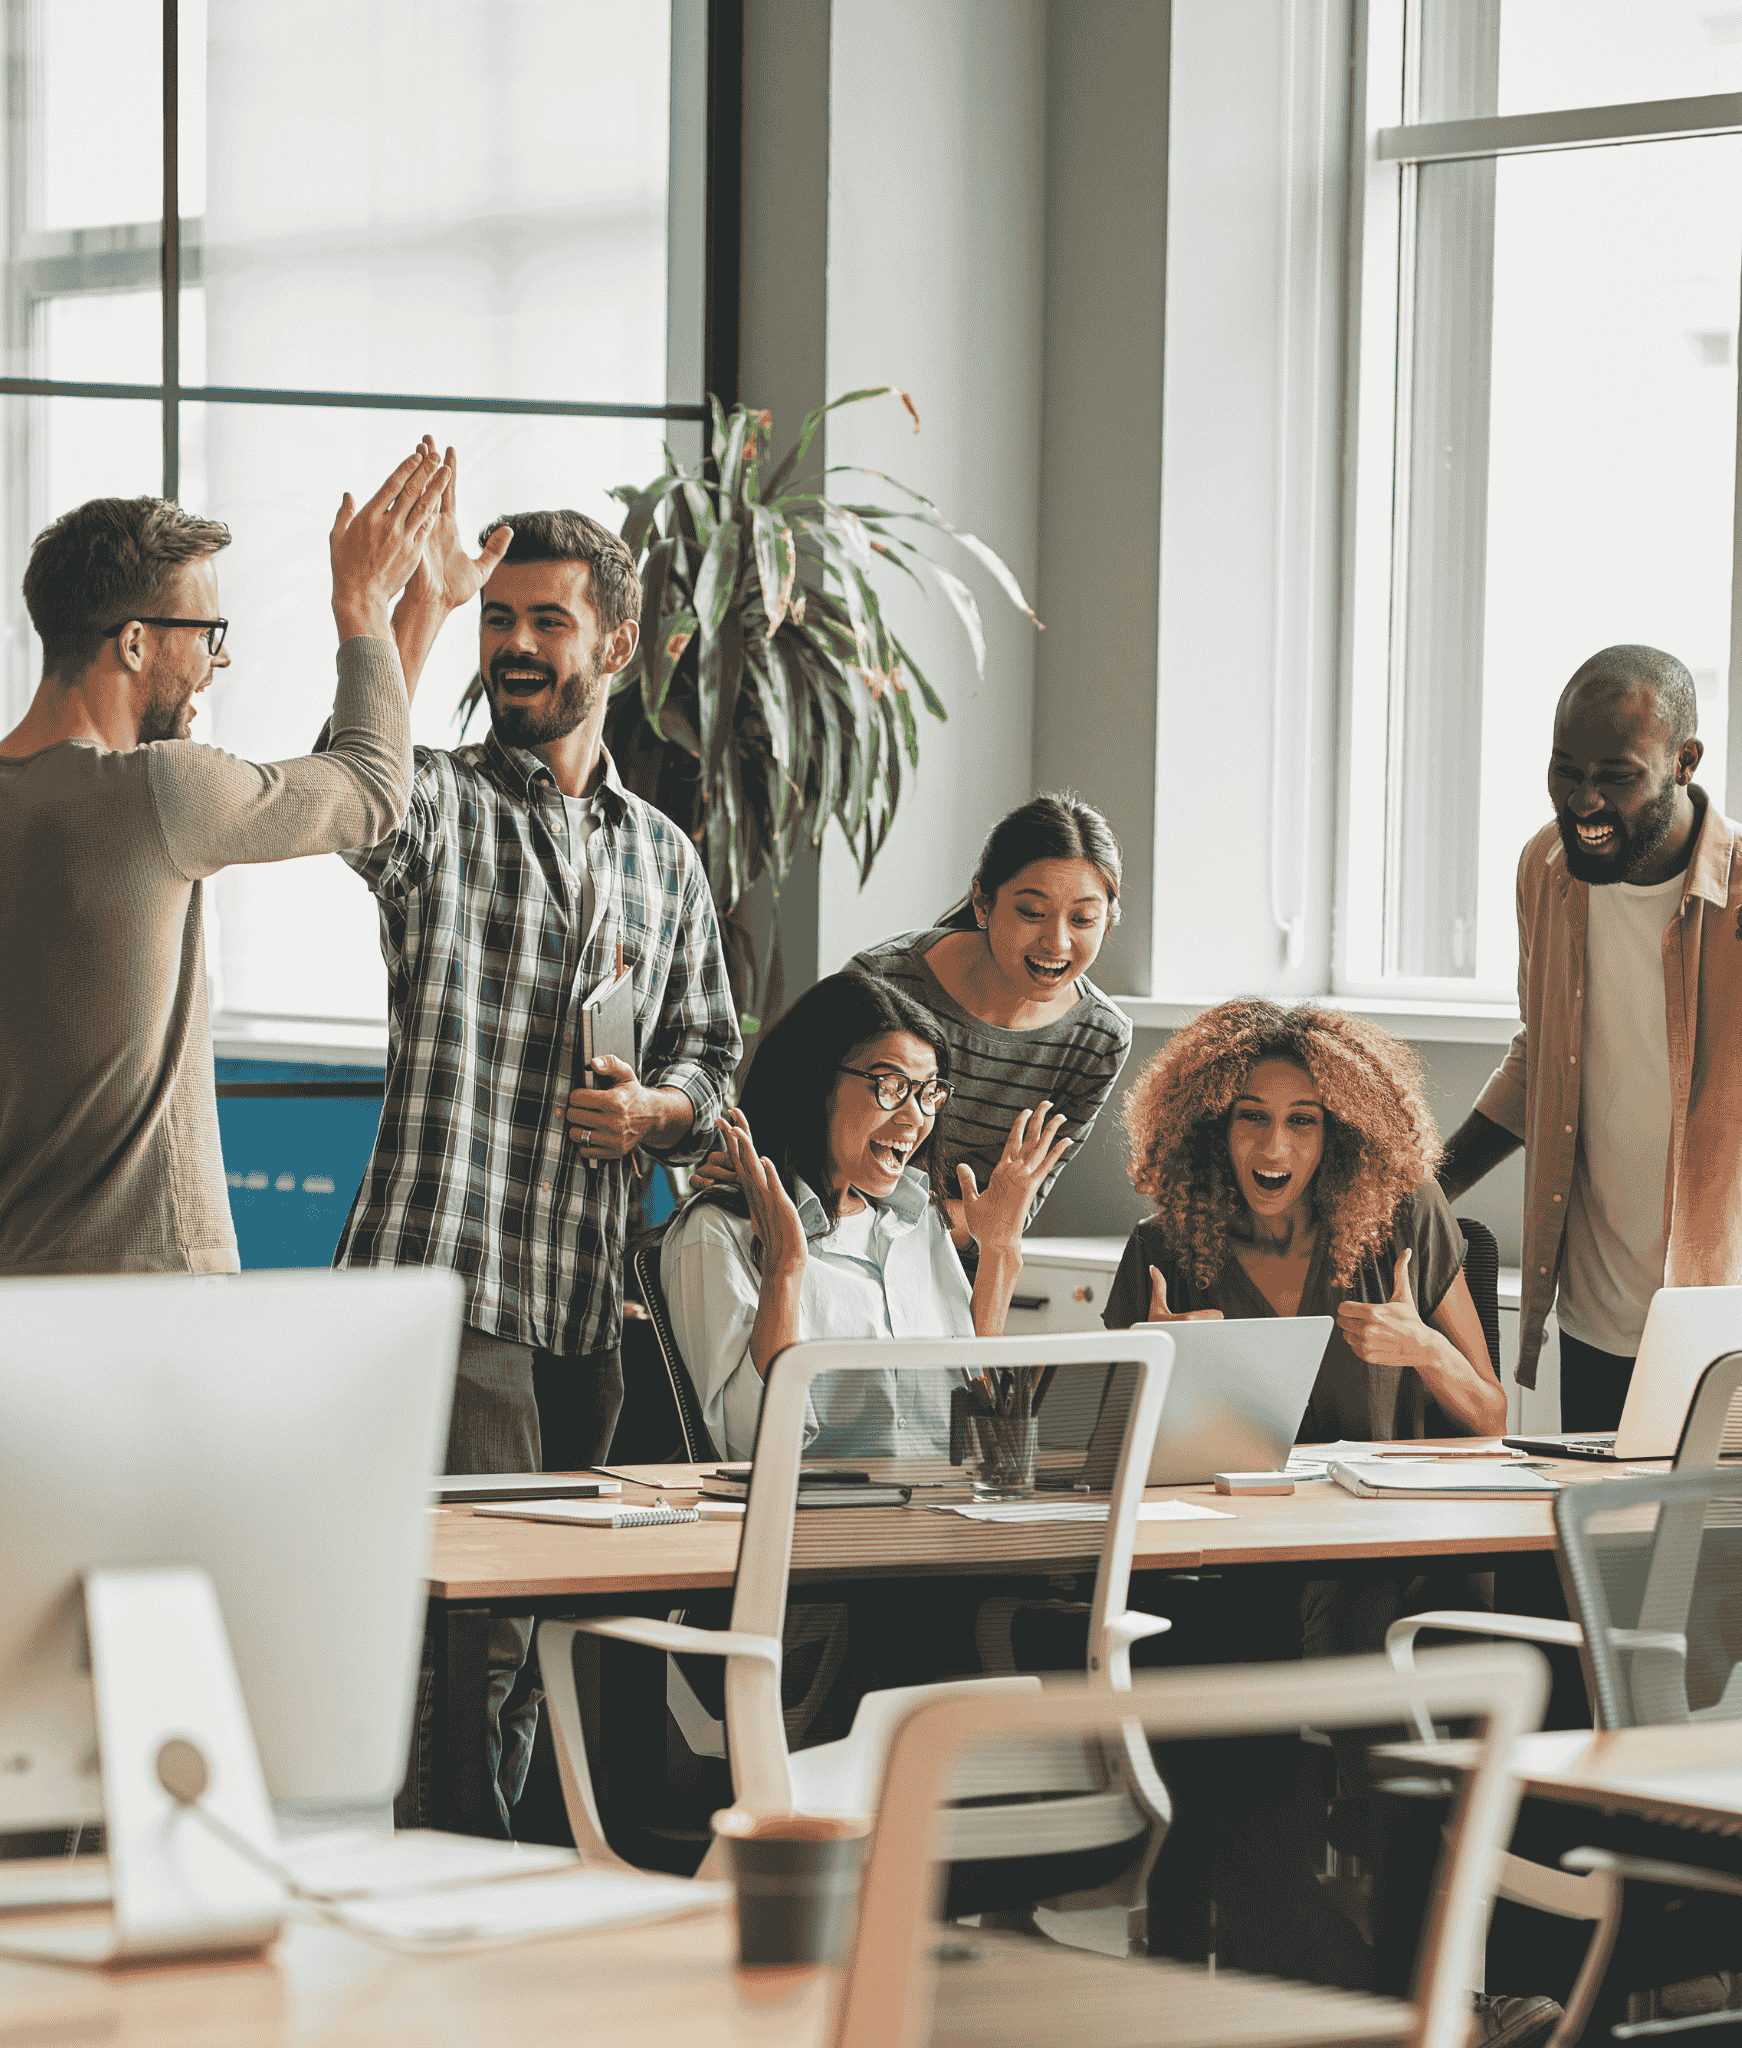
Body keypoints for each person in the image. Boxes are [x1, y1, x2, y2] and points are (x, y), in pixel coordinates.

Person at [330, 477, 740, 1832]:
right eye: (498, 618)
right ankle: (451, 1924)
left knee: (542, 1639)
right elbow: (356, 786)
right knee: (470, 1641)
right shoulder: (437, 803)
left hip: (585, 1307)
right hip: (451, 1291)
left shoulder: (664, 858)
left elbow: (710, 1056)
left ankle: (483, 1900)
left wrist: (658, 1115)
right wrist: (406, 611)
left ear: (615, 645)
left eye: (545, 621)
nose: (516, 645)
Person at [0, 452, 445, 1277]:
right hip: (150, 1293)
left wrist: (423, 608)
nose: (220, 661)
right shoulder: (153, 793)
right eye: (208, 635)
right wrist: (362, 602)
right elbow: (375, 789)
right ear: (134, 643)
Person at [1438, 645, 1742, 1434]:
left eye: (1615, 775)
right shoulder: (1547, 867)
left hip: (1723, 1322)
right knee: (1601, 1553)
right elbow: (1544, 1057)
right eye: (1565, 769)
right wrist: (1422, 1193)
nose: (1583, 801)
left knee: (1707, 1558)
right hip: (1594, 1316)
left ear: (1685, 763)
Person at [662, 971, 1068, 1461]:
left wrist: (999, 1254)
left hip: (939, 1512)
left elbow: (984, 1437)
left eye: (928, 1092)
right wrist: (784, 1274)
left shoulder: (921, 1223)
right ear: (814, 1081)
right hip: (823, 1525)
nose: (916, 1117)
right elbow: (749, 1448)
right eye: (892, 1086)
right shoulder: (718, 1231)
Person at [1105, 999, 1506, 1442]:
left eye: (1302, 1121)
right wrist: (1154, 1368)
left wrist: (1426, 1349)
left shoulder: (1408, 1214)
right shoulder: (1160, 1250)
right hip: (1234, 1509)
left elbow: (1492, 1420)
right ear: (1215, 1127)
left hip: (1380, 1510)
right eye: (1253, 1116)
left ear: (1338, 1135)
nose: (1275, 1148)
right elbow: (1108, 1448)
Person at [845, 792, 1132, 1240]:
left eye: (1083, 919)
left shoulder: (1099, 1038)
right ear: (982, 903)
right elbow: (820, 1162)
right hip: (837, 1250)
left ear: (1107, 920)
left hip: (962, 1279)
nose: (1056, 943)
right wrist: (970, 1217)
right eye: (1032, 913)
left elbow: (1012, 1215)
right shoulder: (883, 981)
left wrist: (979, 1219)